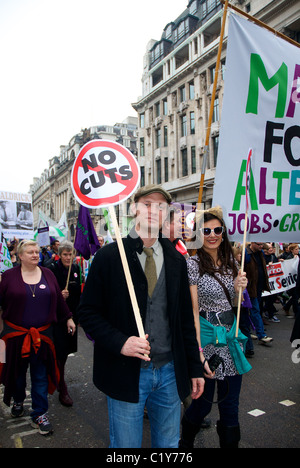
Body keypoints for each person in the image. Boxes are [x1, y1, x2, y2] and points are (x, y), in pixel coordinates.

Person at [78, 184, 204, 448]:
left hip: (169, 371)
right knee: (125, 447)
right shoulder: (109, 257)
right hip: (125, 372)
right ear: (134, 208)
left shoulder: (176, 260)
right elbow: (87, 312)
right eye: (147, 204)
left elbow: (184, 322)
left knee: (169, 445)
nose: (153, 210)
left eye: (160, 206)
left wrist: (193, 367)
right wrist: (120, 342)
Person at [179, 206, 251, 449]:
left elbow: (235, 305)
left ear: (223, 232)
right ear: (198, 233)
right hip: (207, 341)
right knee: (202, 405)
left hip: (230, 340)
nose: (212, 234)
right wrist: (198, 352)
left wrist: (240, 288)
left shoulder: (232, 261)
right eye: (206, 230)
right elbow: (193, 313)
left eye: (217, 229)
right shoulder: (192, 264)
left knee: (231, 406)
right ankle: (184, 443)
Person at [0, 240, 75, 435]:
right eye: (30, 252)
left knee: (41, 375)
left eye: (36, 252)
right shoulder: (8, 277)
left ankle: (39, 413)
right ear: (21, 256)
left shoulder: (48, 274)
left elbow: (58, 299)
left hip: (43, 336)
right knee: (16, 374)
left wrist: (68, 318)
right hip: (15, 336)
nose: (35, 255)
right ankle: (18, 400)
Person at [49, 240, 81, 407]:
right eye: (65, 254)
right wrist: (58, 295)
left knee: (66, 350)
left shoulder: (76, 269)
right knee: (59, 351)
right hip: (57, 318)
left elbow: (78, 293)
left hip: (72, 318)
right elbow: (47, 295)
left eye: (71, 254)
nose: (68, 257)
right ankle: (62, 385)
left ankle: (58, 376)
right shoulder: (51, 269)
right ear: (59, 255)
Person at [244, 242, 273, 344]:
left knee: (251, 310)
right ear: (252, 243)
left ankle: (248, 330)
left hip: (258, 287)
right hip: (250, 288)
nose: (261, 246)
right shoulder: (246, 254)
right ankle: (261, 334)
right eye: (259, 244)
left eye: (262, 244)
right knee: (255, 310)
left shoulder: (261, 253)